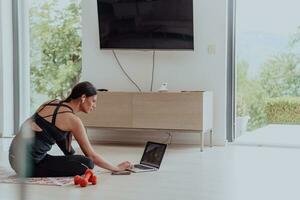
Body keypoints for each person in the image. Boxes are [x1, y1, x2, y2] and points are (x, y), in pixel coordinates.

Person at [9, 81, 133, 177]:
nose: (94, 106)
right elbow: (91, 156)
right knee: (87, 164)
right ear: (83, 98)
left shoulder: (51, 102)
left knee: (80, 161)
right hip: (27, 165)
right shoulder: (73, 121)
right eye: (93, 101)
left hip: (14, 157)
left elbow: (66, 149)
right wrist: (116, 168)